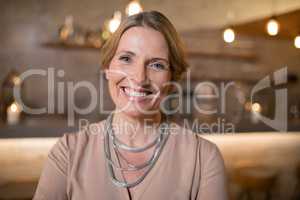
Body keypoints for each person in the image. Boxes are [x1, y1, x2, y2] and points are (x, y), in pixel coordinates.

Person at [33, 10, 228, 200]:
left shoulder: (203, 159)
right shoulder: (68, 152)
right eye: (126, 59)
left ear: (173, 78)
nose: (139, 77)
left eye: (157, 65)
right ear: (107, 68)